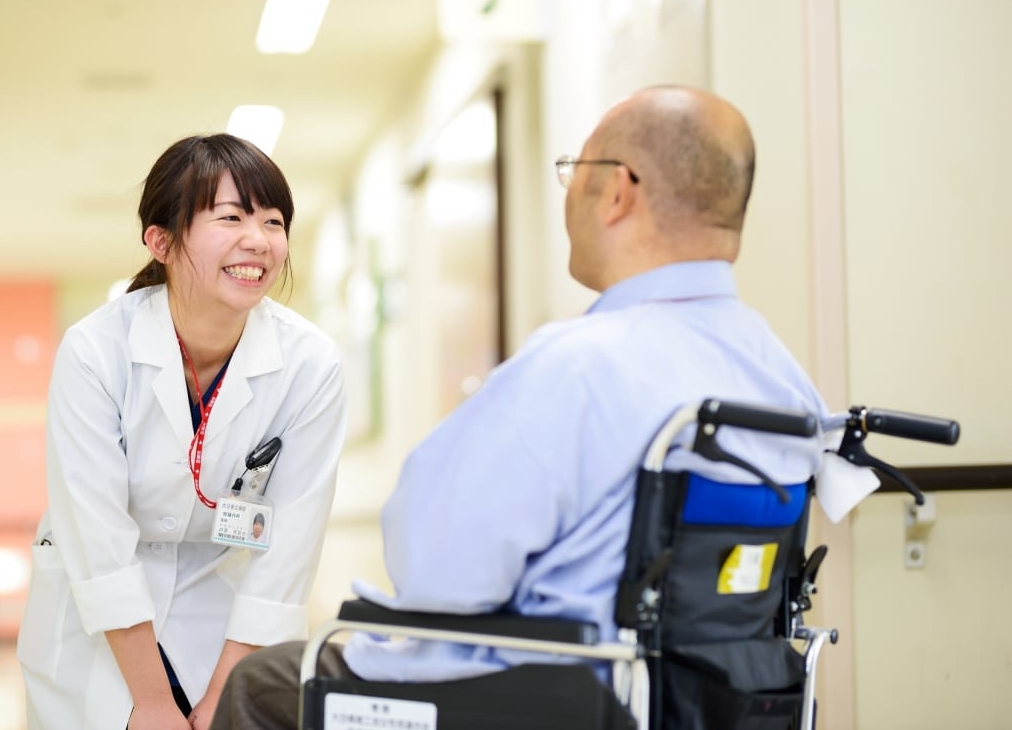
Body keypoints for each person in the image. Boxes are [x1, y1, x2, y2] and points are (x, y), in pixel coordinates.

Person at [207, 85, 829, 730]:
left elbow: (435, 574)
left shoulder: (578, 367)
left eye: (575, 173)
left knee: (267, 683)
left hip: (556, 696)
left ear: (617, 192)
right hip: (709, 701)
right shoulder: (782, 377)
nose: (569, 195)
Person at [16, 134, 348, 730]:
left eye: (274, 221)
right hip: (99, 626)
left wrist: (228, 688)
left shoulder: (310, 364)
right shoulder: (96, 352)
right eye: (230, 217)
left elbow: (291, 546)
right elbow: (95, 531)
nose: (259, 239)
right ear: (161, 241)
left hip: (222, 615)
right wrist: (150, 699)